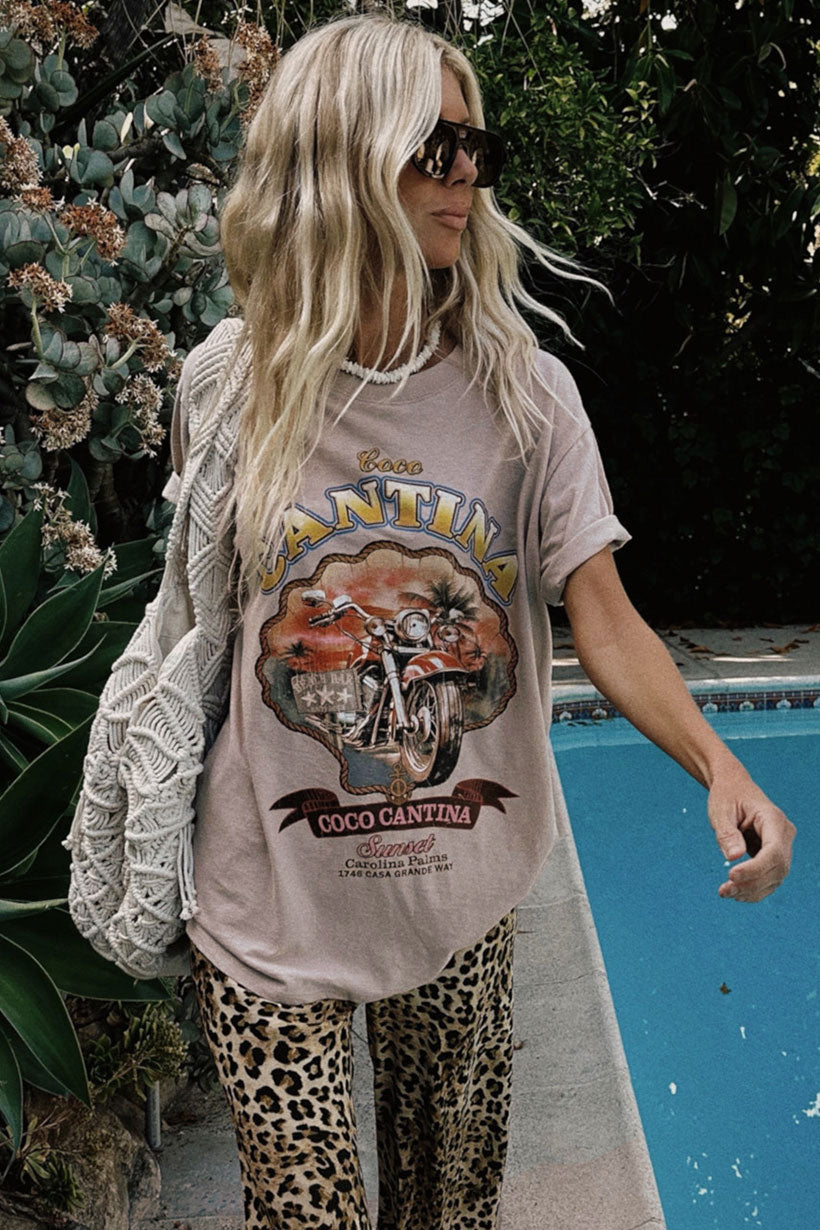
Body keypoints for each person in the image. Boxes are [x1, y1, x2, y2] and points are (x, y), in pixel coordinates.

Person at [160, 11, 796, 1229]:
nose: (464, 173)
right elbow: (208, 629)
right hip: (264, 898)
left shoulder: (525, 393)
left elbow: (603, 617)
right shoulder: (228, 384)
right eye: (431, 146)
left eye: (475, 147)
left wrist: (720, 765)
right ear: (341, 159)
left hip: (453, 898)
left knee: (449, 1214)